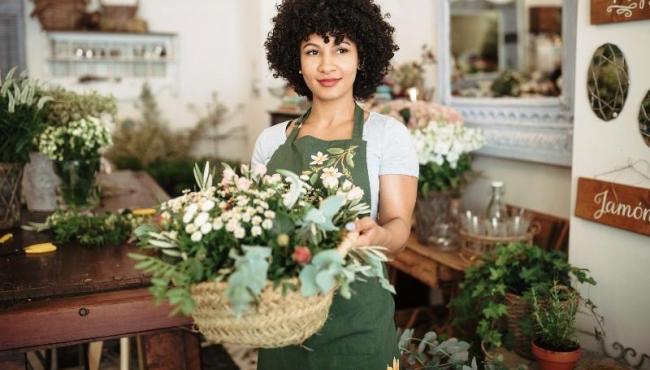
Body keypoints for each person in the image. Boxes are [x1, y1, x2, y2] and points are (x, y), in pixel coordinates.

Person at [251, 0, 418, 368]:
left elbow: (399, 229)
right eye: (313, 51)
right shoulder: (270, 142)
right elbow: (257, 231)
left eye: (341, 49)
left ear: (362, 57)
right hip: (283, 322)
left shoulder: (388, 136)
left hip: (359, 327)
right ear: (295, 59)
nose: (327, 65)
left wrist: (377, 237)